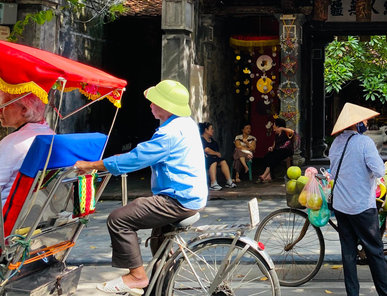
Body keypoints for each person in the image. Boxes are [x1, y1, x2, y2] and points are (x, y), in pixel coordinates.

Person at [74, 80, 207, 296]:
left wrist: (90, 166)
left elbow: (139, 158)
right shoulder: (186, 124)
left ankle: (137, 276)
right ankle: (158, 286)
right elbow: (146, 152)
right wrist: (121, 159)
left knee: (119, 219)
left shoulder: (170, 133)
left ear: (165, 105)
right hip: (189, 196)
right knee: (158, 248)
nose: (150, 105)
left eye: (154, 101)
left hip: (177, 199)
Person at [328, 103, 387, 296]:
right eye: (364, 121)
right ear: (357, 124)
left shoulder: (336, 143)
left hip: (340, 205)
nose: (366, 123)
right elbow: (379, 170)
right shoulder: (365, 143)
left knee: (348, 253)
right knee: (375, 252)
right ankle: (385, 293)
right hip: (361, 207)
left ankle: (353, 294)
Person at [0, 91, 54, 202]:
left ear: (24, 109)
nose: (0, 111)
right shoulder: (50, 133)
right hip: (38, 208)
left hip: (9, 211)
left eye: (4, 106)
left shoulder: (13, 142)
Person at [200, 122, 236, 190]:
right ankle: (213, 183)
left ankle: (229, 181)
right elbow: (206, 150)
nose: (213, 130)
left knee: (223, 162)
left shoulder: (212, 141)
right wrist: (216, 153)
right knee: (213, 162)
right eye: (211, 129)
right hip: (204, 159)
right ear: (206, 130)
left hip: (212, 158)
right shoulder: (201, 140)